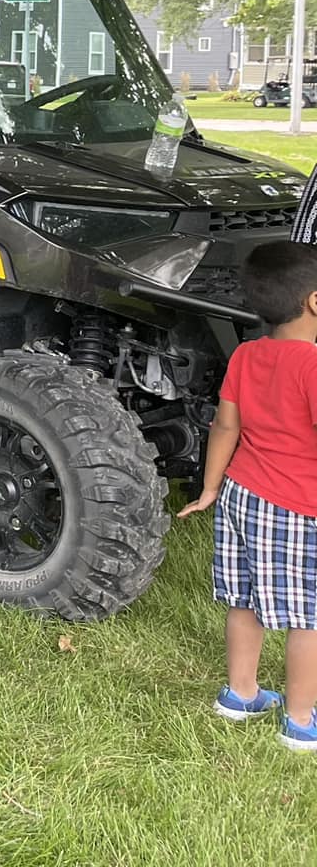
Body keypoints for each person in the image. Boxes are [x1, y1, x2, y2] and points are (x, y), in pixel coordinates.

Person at [178, 240, 317, 751]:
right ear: (315, 302)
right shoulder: (313, 366)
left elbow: (224, 425)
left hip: (241, 495)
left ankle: (240, 695)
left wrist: (210, 487)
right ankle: (302, 721)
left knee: (244, 598)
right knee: (310, 617)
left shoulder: (246, 354)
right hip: (299, 508)